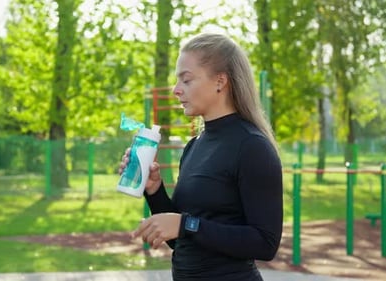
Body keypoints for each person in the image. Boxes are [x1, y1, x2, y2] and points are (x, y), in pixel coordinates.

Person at [119, 33, 283, 281]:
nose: (176, 90)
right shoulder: (194, 145)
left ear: (220, 82)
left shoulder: (252, 147)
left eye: (186, 80)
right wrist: (154, 190)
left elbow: (265, 243)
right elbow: (184, 242)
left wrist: (185, 224)